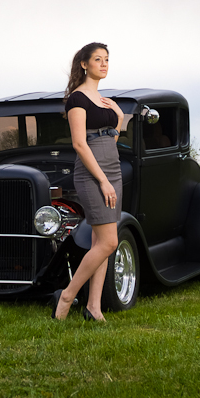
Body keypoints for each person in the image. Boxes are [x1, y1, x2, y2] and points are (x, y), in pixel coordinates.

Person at [52, 42, 124, 321]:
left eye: (107, 59)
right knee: (108, 243)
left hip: (112, 169)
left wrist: (118, 116)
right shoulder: (77, 100)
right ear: (84, 64)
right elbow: (80, 144)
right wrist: (103, 181)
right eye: (98, 59)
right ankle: (68, 296)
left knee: (99, 242)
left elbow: (112, 138)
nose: (104, 64)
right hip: (94, 175)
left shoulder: (103, 100)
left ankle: (94, 307)